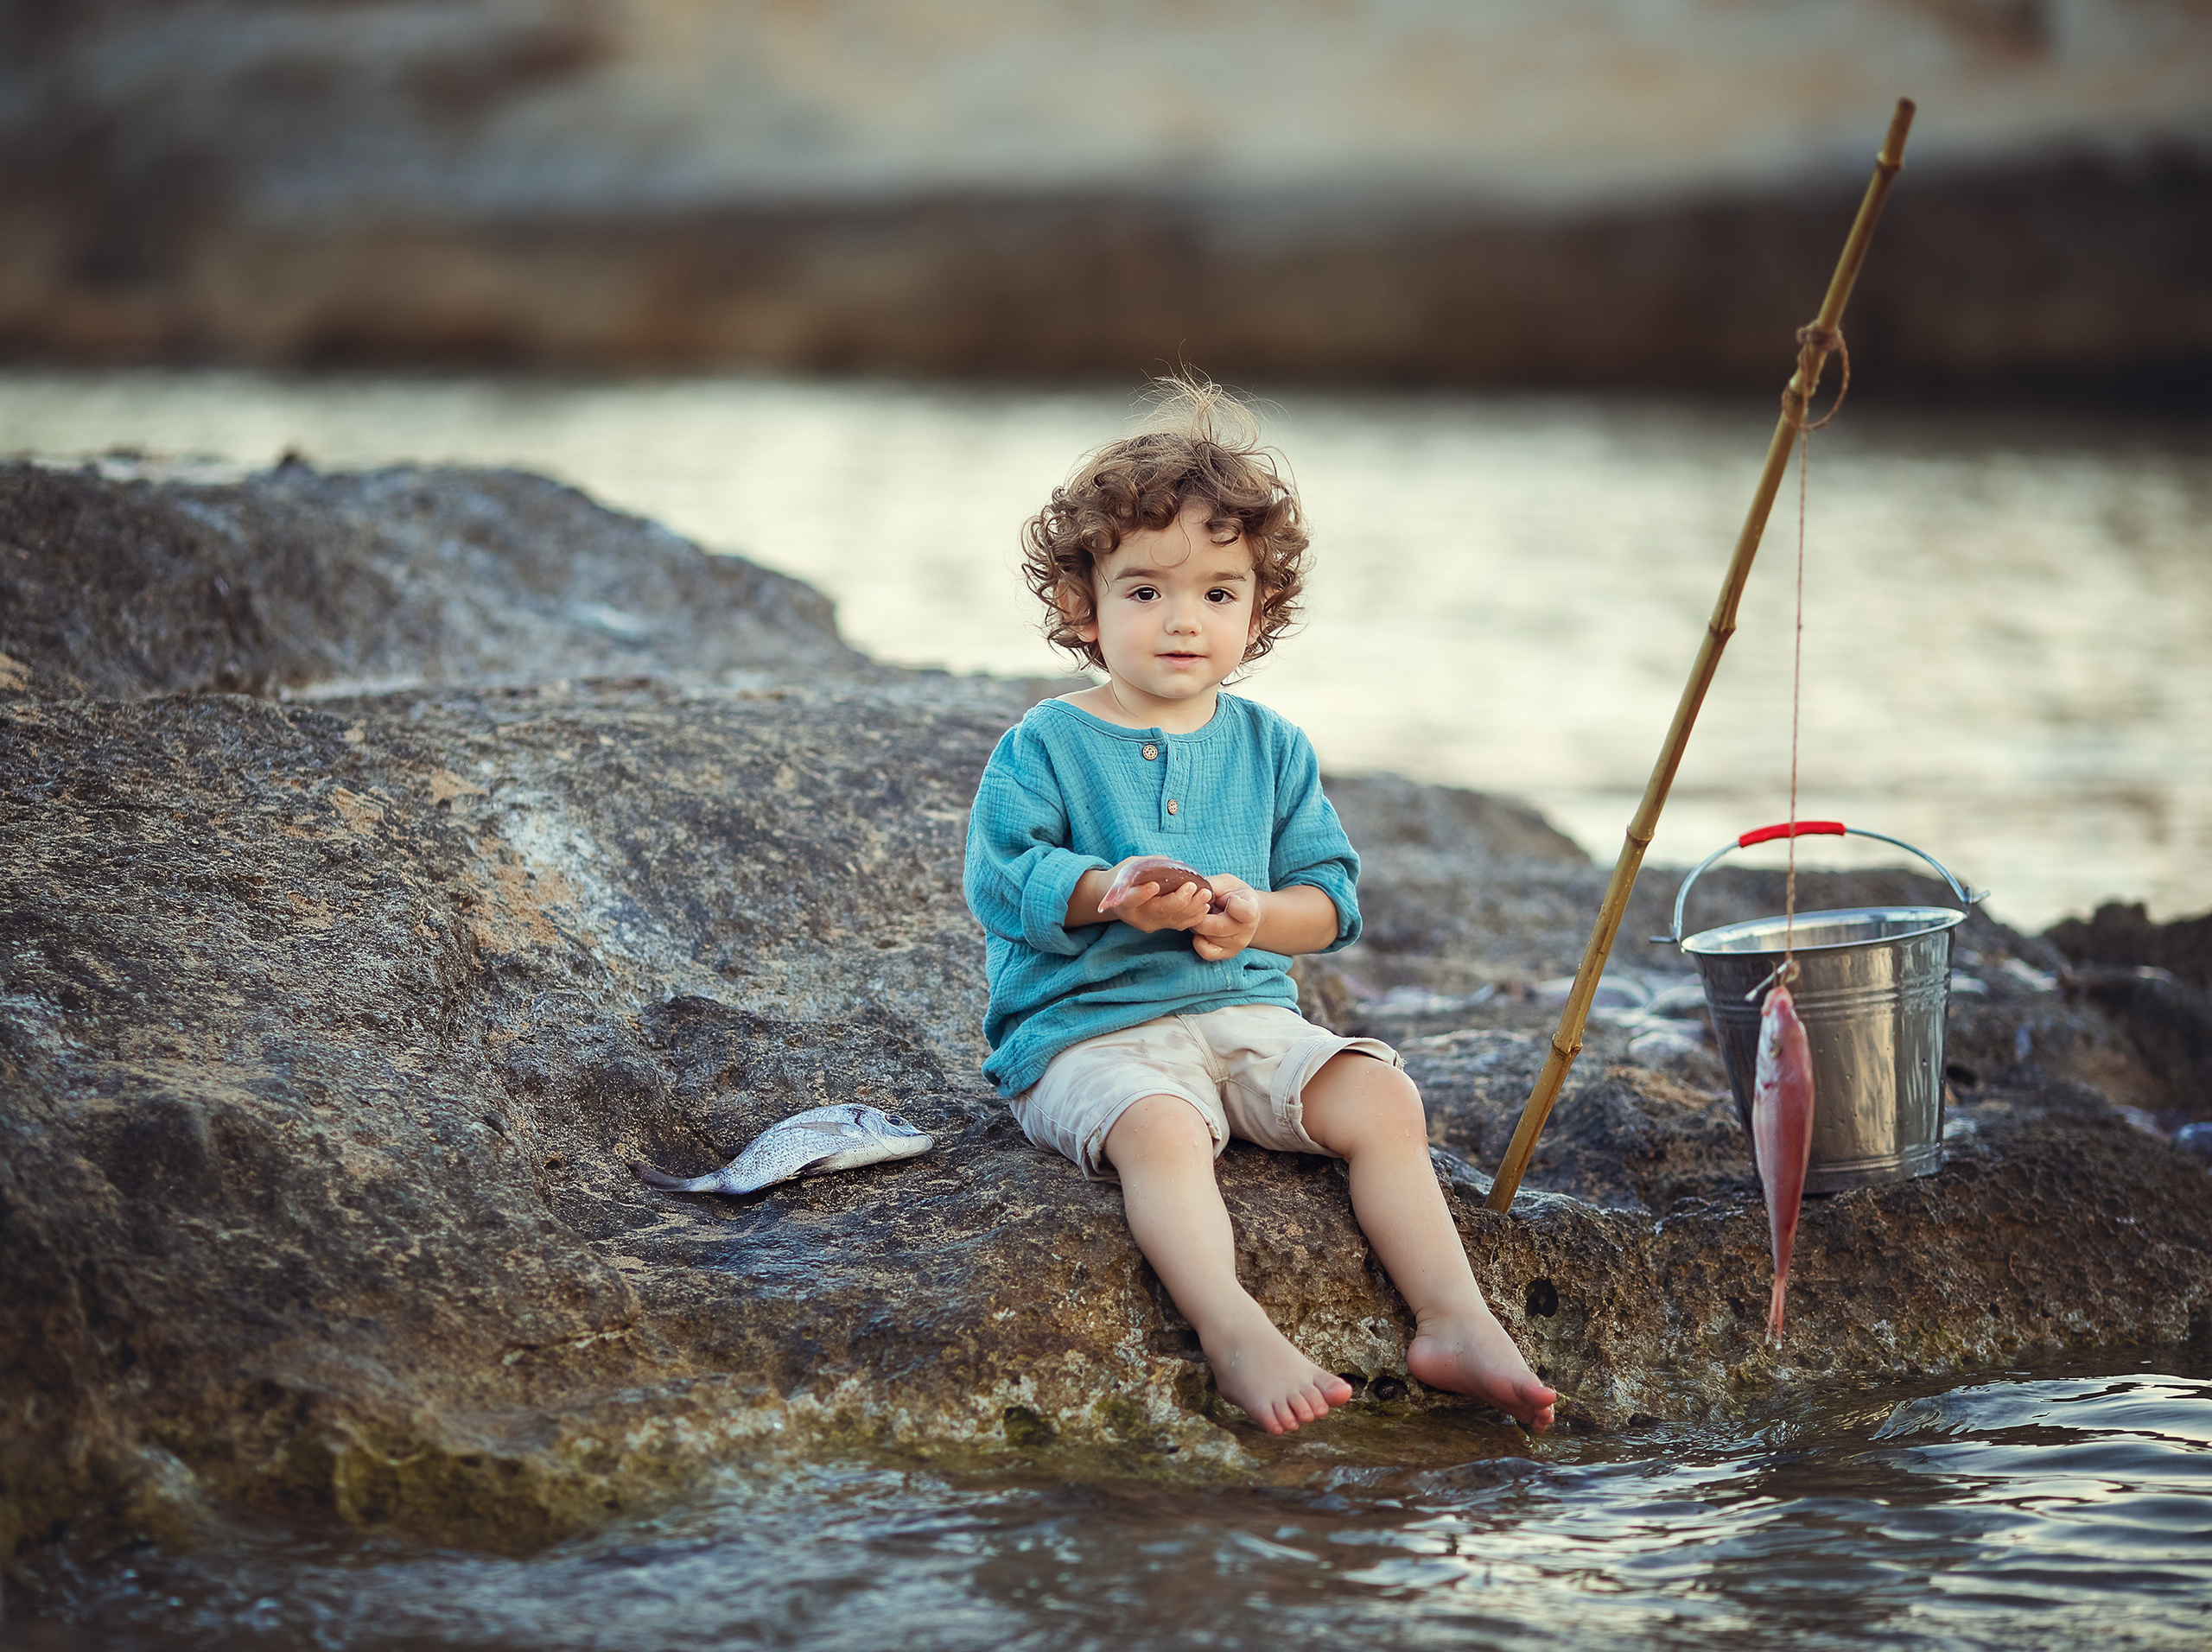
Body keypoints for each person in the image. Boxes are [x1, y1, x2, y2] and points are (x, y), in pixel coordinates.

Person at [963, 378, 1555, 1436]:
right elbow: (1000, 877)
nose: (1183, 619)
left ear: (1260, 609)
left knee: (1381, 1097)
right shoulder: (1045, 743)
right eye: (1144, 592)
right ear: (1079, 606)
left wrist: (1254, 920)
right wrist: (1108, 895)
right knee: (1161, 1133)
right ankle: (1233, 1327)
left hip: (1247, 1018)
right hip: (1088, 1037)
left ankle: (1453, 1317)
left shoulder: (1271, 746)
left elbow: (1328, 901)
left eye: (1218, 593)